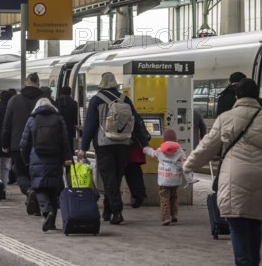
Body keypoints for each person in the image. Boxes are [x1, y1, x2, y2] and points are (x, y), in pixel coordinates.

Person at [184, 78, 262, 266]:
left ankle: (244, 263)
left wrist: (188, 165)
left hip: (234, 176)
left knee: (237, 224)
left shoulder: (226, 118)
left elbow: (206, 147)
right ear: (257, 95)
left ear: (237, 95)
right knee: (254, 222)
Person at [77, 72, 147, 225]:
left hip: (104, 144)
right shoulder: (125, 99)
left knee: (109, 178)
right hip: (123, 144)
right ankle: (108, 211)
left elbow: (90, 125)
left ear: (101, 84)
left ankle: (116, 211)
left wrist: (83, 148)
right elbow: (137, 122)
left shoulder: (96, 100)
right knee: (115, 177)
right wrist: (144, 144)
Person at [20, 98, 73, 231]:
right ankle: (53, 221)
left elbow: (24, 143)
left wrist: (25, 159)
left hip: (37, 158)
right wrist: (67, 157)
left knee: (39, 188)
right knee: (53, 190)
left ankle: (46, 211)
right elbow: (65, 140)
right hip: (55, 158)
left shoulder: (32, 119)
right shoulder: (59, 119)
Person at [1, 72, 44, 216]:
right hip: (41, 145)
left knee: (20, 172)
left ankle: (28, 191)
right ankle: (36, 202)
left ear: (26, 83)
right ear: (38, 84)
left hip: (17, 145)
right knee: (37, 174)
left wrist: (5, 143)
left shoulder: (14, 100)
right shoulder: (45, 100)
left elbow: (6, 124)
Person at [143, 129, 194, 225]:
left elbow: (153, 154)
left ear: (164, 139)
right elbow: (185, 166)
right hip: (175, 179)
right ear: (175, 140)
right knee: (174, 196)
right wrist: (189, 178)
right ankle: (174, 215)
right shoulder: (180, 151)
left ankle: (166, 218)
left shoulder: (160, 150)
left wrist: (145, 149)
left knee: (164, 198)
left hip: (163, 180)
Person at [56, 86, 79, 152]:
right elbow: (77, 118)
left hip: (57, 129)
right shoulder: (74, 103)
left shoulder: (56, 102)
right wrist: (80, 131)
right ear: (70, 93)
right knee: (69, 149)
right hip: (70, 129)